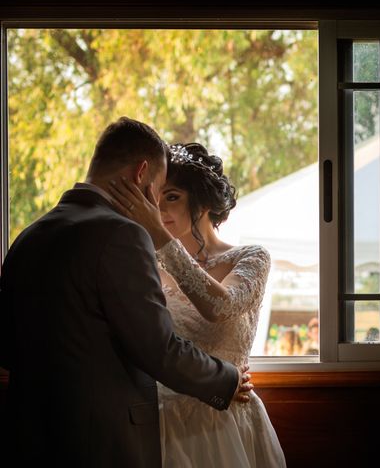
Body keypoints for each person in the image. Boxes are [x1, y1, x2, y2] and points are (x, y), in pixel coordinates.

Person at [0, 118, 250, 467]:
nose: (156, 206)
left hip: (26, 438)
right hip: (100, 443)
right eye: (158, 188)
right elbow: (157, 348)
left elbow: (8, 348)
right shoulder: (122, 235)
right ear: (141, 173)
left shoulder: (28, 237)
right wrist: (226, 379)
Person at [107, 142, 286, 467]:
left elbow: (219, 306)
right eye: (154, 199)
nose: (159, 210)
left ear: (202, 201)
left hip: (224, 422)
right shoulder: (145, 262)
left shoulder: (251, 257)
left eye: (172, 197)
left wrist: (161, 237)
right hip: (159, 424)